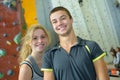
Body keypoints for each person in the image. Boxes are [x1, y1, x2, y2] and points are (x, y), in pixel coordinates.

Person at [41, 6, 110, 80]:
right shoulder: (49, 55)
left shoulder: (91, 46)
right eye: (55, 21)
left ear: (71, 19)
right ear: (52, 26)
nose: (59, 23)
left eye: (63, 18)